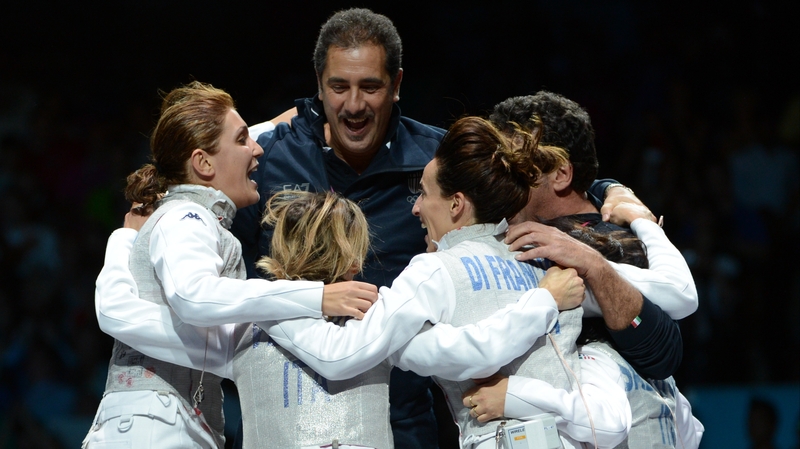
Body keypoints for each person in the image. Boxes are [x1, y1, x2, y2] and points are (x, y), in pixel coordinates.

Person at [82, 82, 378, 449]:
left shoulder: (190, 217)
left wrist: (295, 118)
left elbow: (209, 150)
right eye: (242, 140)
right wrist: (316, 296)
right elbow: (195, 296)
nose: (256, 150)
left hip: (170, 424)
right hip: (154, 430)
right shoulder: (187, 216)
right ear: (203, 163)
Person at [230, 9, 447, 446]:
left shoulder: (439, 161)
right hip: (284, 416)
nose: (353, 105)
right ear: (318, 82)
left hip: (401, 421)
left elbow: (537, 179)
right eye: (338, 86)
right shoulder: (269, 155)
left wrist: (605, 189)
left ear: (397, 84)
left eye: (370, 87)